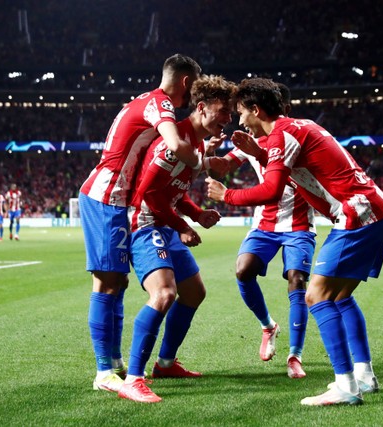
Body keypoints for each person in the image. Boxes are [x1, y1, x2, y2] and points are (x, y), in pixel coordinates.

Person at [206, 78, 383, 406]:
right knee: (339, 297)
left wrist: (227, 196)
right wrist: (260, 155)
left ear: (256, 109)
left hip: (356, 215)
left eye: (241, 113)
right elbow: (295, 170)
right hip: (374, 210)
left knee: (316, 296)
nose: (239, 121)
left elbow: (272, 191)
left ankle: (345, 386)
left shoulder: (281, 135)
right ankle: (364, 375)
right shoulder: (295, 128)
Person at [78, 54, 202, 396]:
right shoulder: (159, 103)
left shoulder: (145, 101)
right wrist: (206, 162)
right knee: (106, 283)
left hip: (115, 200)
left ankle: (114, 365)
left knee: (117, 283)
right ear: (187, 83)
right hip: (106, 197)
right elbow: (176, 144)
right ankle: (104, 372)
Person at [118, 74, 232, 403]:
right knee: (165, 293)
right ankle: (134, 378)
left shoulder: (194, 145)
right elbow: (149, 194)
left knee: (194, 292)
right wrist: (183, 225)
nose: (227, 119)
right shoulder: (174, 144)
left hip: (166, 223)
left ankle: (165, 364)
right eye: (222, 111)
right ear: (201, 108)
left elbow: (175, 193)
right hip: (145, 223)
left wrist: (196, 215)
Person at [205, 83, 314, 379]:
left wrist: (227, 194)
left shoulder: (293, 138)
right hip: (265, 223)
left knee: (297, 280)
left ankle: (295, 355)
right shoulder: (251, 141)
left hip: (299, 222)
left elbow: (281, 185)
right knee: (243, 270)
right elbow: (221, 167)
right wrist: (204, 151)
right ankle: (268, 325)